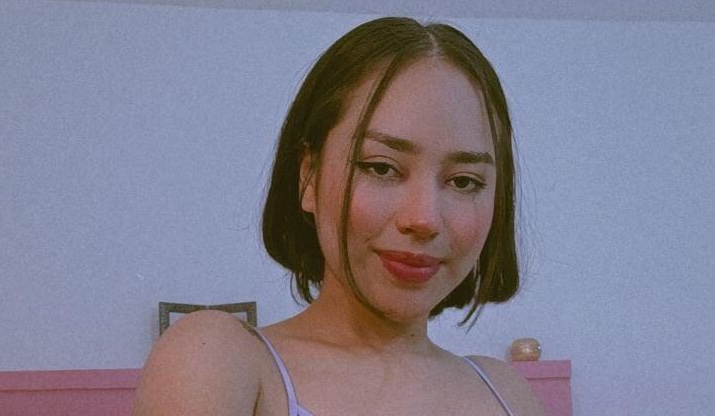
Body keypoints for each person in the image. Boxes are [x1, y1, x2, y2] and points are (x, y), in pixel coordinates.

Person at [132, 17, 545, 416]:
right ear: (309, 177)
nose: (424, 219)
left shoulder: (507, 394)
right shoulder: (221, 359)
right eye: (381, 168)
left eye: (464, 181)